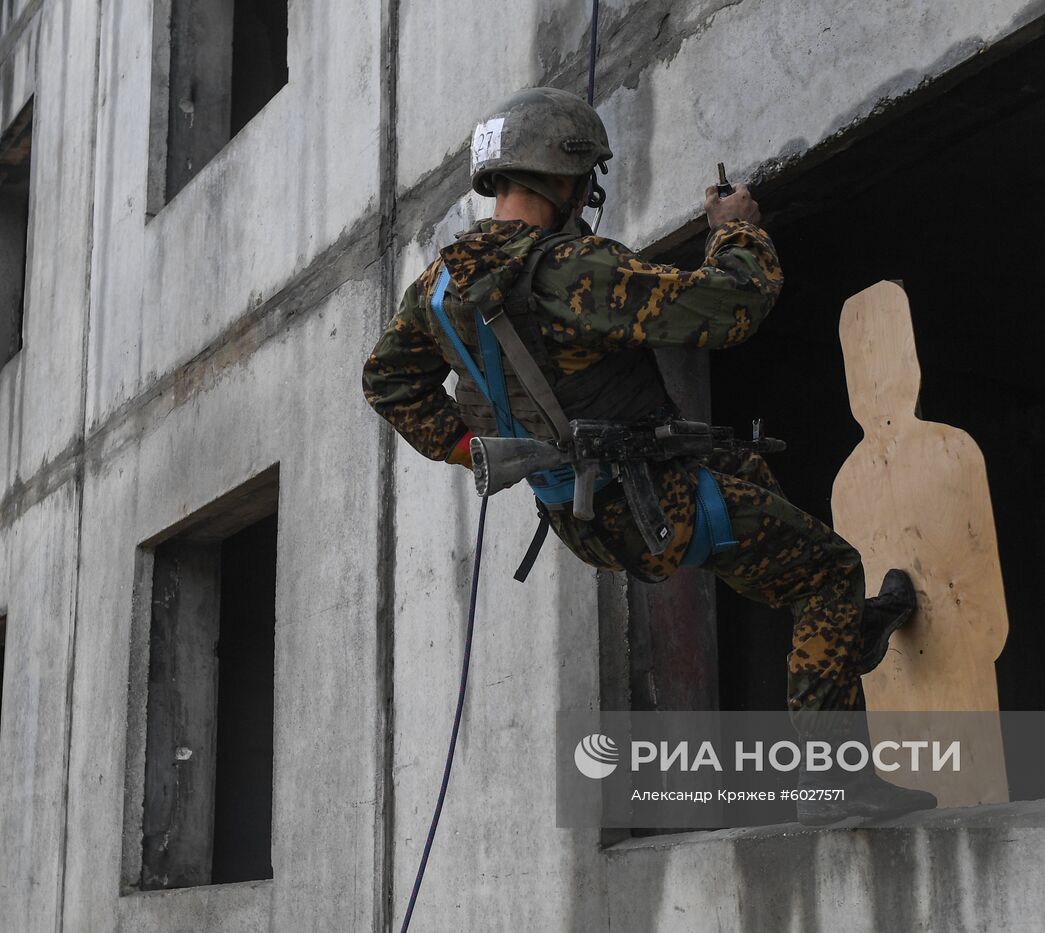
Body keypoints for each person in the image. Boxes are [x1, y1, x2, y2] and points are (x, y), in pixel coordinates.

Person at [362, 86, 934, 824]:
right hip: (650, 503)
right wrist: (735, 231)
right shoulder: (570, 269)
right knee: (827, 568)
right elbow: (729, 308)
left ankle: (846, 636)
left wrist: (483, 449)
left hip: (583, 510)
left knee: (751, 481)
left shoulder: (438, 288)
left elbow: (386, 380)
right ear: (564, 181)